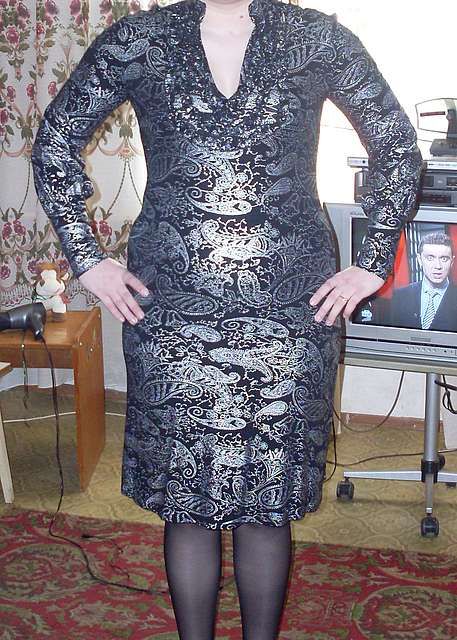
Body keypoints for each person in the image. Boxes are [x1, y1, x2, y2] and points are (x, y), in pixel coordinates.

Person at [31, 0, 423, 638]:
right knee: (187, 503)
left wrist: (371, 263)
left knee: (268, 505)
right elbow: (55, 142)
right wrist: (88, 259)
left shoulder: (316, 37)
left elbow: (397, 148)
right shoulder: (140, 38)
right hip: (172, 316)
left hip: (289, 315)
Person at [389, 232, 457, 332]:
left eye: (444, 259)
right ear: (419, 260)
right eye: (430, 258)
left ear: (452, 262)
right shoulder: (400, 295)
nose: (438, 266)